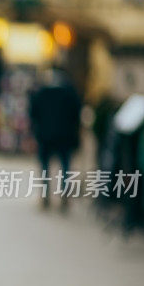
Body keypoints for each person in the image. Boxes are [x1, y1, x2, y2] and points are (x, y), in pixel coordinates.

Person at [29, 66, 82, 211]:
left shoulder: (42, 93)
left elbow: (33, 113)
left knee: (45, 167)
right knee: (65, 167)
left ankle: (46, 195)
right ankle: (65, 195)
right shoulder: (69, 93)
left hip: (45, 136)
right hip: (65, 136)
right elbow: (77, 114)